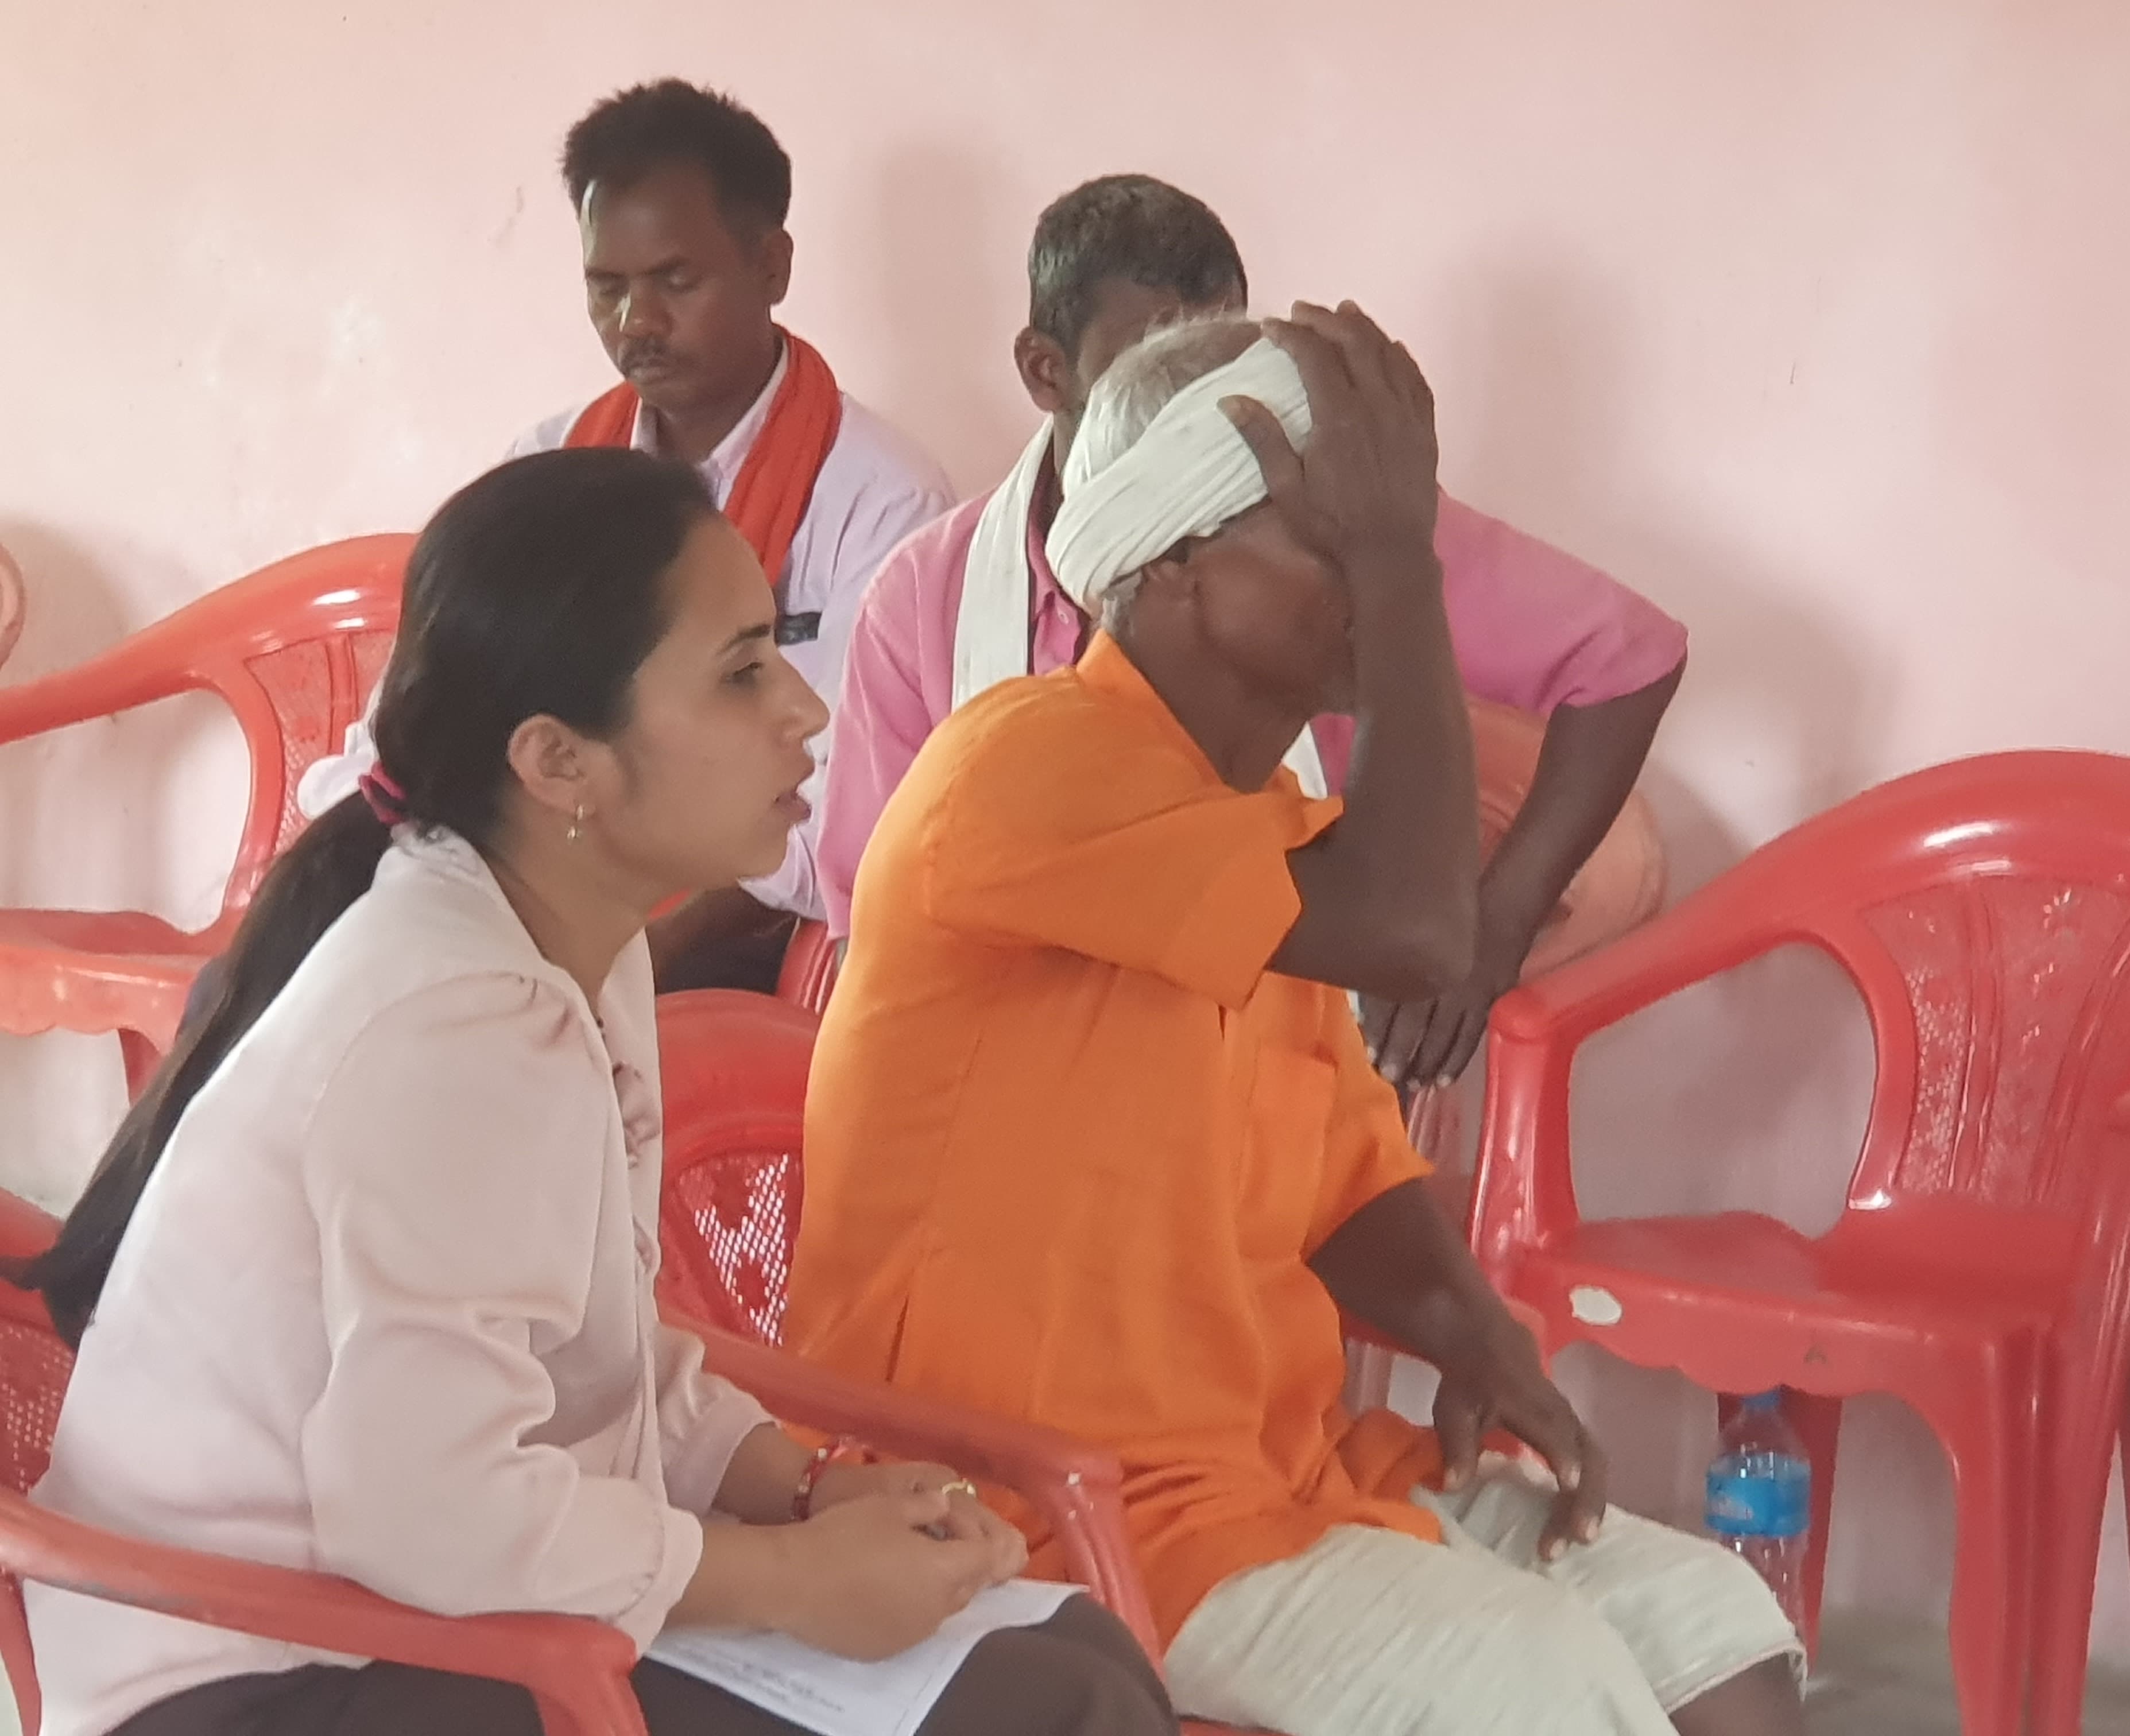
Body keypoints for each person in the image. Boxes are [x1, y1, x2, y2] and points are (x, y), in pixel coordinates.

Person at [8, 450, 1172, 1736]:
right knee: (1038, 1703)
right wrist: (795, 1581)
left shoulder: (567, 942)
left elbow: (591, 1360)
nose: (805, 709)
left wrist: (799, 1489)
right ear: (561, 763)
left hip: (395, 1612)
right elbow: (428, 1511)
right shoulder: (456, 1022)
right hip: (260, 1671)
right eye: (740, 673)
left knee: (1073, 1654)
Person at [788, 307, 1802, 1736]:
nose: (1394, 576)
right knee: (1538, 1683)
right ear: (1176, 563)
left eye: (1393, 539)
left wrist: (1479, 1339)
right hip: (1032, 1503)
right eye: (1337, 540)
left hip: (1275, 1469)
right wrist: (1399, 567)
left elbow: (1342, 1174)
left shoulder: (1265, 823)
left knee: (1714, 1629)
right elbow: (1419, 930)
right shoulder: (1021, 768)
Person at [817, 174, 1684, 1089]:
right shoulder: (1008, 731)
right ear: (1172, 560)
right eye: (1158, 368)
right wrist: (1394, 566)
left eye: (1225, 362)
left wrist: (1496, 927)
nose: (1206, 411)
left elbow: (1628, 657)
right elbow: (865, 931)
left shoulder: (1309, 555)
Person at [297, 79, 954, 992]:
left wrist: (614, 949)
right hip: (512, 894)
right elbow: (412, 731)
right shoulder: (549, 462)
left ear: (771, 266)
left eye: (676, 282)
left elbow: (831, 822)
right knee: (287, 972)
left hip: (714, 928)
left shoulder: (881, 502)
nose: (636, 323)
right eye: (607, 288)